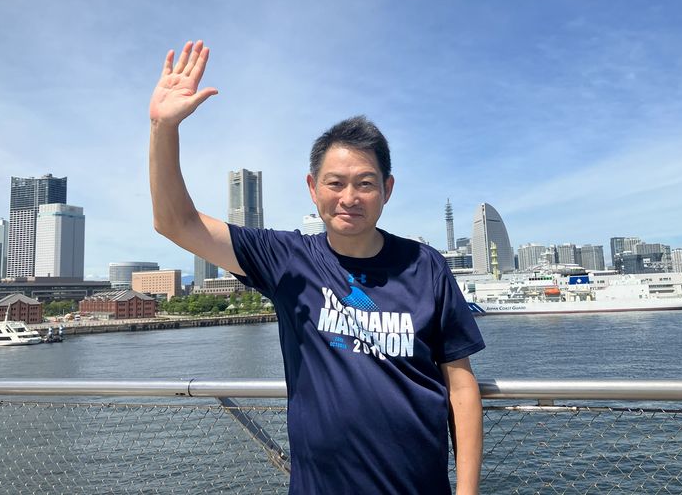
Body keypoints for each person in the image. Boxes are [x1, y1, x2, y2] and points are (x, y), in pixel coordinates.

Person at [149, 40, 486, 494]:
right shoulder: (287, 260)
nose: (350, 198)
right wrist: (162, 127)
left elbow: (460, 387)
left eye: (366, 184)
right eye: (335, 183)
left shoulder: (425, 266)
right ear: (313, 188)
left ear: (387, 188)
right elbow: (176, 222)